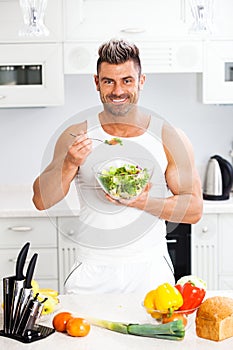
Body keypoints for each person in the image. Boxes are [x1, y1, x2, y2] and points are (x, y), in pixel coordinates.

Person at [32, 39, 203, 297]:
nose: (117, 90)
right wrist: (70, 164)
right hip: (91, 269)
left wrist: (142, 201)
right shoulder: (76, 134)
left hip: (151, 272)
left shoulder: (169, 137)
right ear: (96, 82)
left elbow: (194, 209)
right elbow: (40, 200)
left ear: (141, 81)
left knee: (151, 337)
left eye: (127, 80)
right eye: (108, 81)